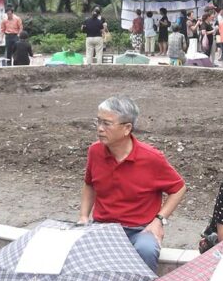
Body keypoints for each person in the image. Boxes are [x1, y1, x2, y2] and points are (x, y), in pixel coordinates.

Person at [79, 97, 186, 270]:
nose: (100, 128)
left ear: (127, 128)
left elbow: (179, 188)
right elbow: (89, 184)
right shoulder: (95, 151)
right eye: (98, 121)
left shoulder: (151, 158)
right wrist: (84, 216)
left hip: (140, 230)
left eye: (107, 123)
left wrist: (159, 220)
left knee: (146, 249)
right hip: (104, 227)